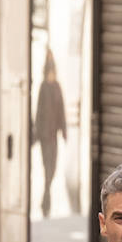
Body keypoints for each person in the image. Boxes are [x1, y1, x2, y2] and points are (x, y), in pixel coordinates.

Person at [33, 49, 67, 217]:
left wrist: (64, 131)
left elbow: (61, 111)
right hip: (44, 137)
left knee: (52, 168)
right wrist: (36, 134)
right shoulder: (43, 87)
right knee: (47, 167)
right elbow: (38, 112)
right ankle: (46, 202)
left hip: (53, 136)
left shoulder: (57, 88)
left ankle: (45, 197)